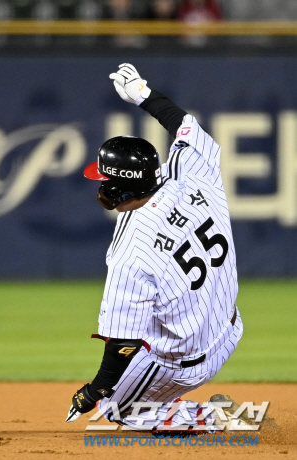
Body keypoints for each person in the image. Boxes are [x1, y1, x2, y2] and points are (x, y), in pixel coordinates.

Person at [67, 64, 248, 433]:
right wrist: (145, 95)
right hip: (230, 328)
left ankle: (209, 418)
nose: (99, 187)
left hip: (189, 362)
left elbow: (122, 341)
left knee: (116, 411)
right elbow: (186, 128)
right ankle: (159, 393)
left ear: (119, 189)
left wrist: (96, 389)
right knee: (159, 300)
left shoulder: (131, 249)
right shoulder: (192, 176)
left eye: (103, 181)